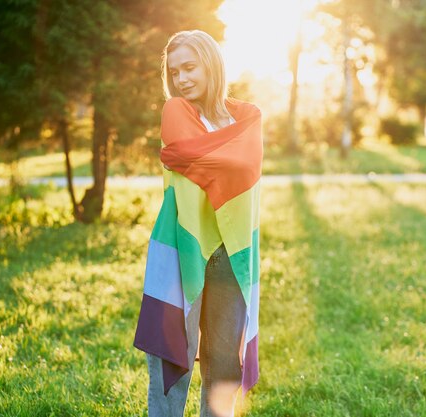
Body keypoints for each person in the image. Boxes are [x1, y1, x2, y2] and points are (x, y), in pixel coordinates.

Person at [133, 30, 263, 417]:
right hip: (182, 246)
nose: (181, 79)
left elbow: (240, 165)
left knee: (225, 364)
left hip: (233, 252)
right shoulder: (176, 111)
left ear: (211, 64)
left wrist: (206, 158)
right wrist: (225, 156)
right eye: (174, 72)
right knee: (173, 355)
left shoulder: (249, 116)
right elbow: (181, 152)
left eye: (189, 67)